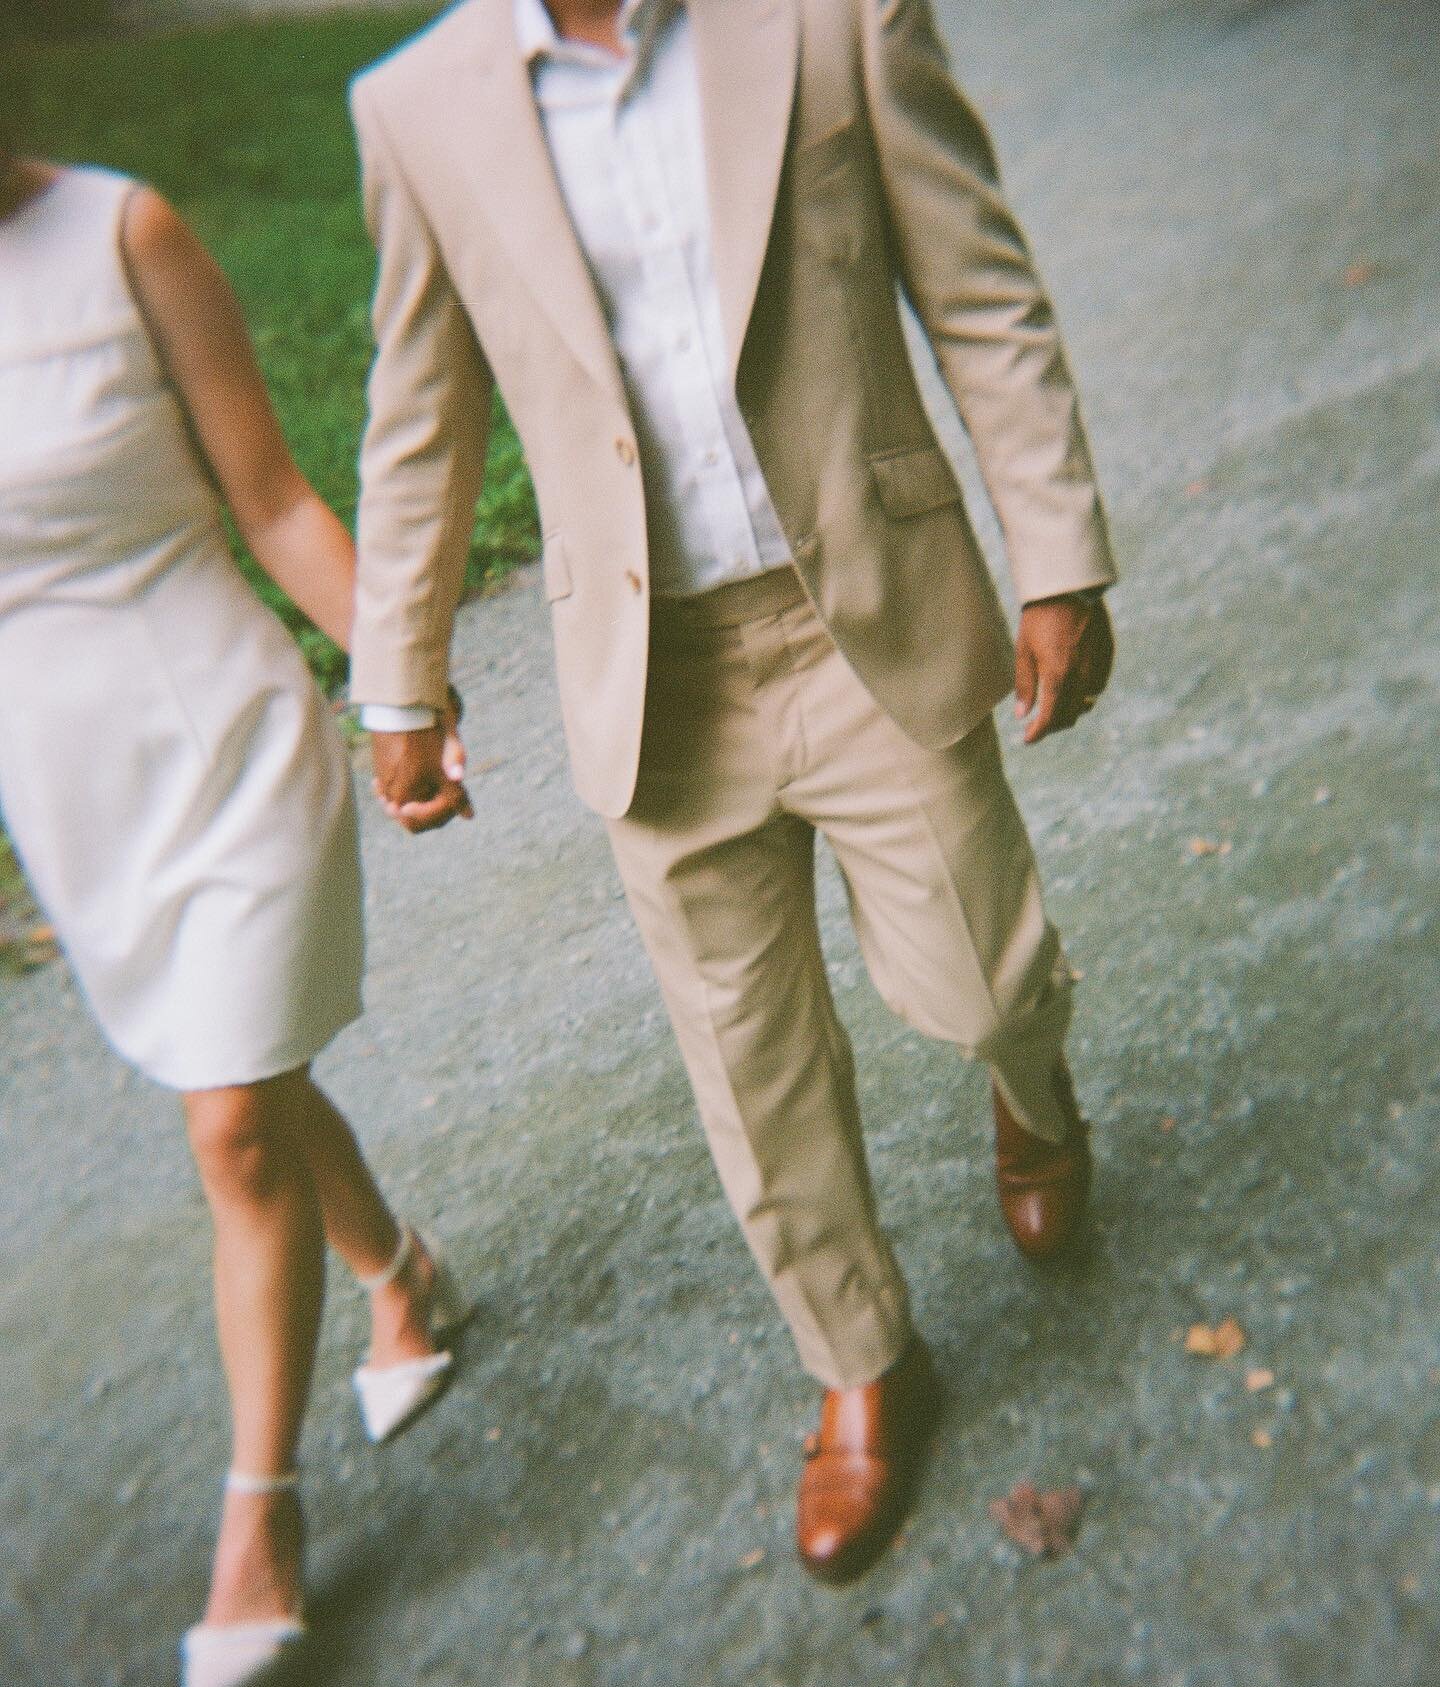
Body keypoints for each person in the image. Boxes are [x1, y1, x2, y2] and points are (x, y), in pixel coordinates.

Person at [349, 0, 1117, 1583]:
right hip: (655, 675)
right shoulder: (417, 108)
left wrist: (1056, 556)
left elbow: (978, 288)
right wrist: (401, 678)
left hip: (868, 616)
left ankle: (1033, 1102)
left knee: (986, 979)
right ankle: (857, 1364)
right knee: (748, 1070)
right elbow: (420, 423)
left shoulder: (830, 17)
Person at [0, 136, 472, 1687]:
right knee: (245, 1083)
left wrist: (400, 682)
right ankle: (400, 1275)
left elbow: (270, 498)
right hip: (70, 796)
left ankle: (256, 1529)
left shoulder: (124, 230)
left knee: (225, 1124)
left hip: (221, 741)